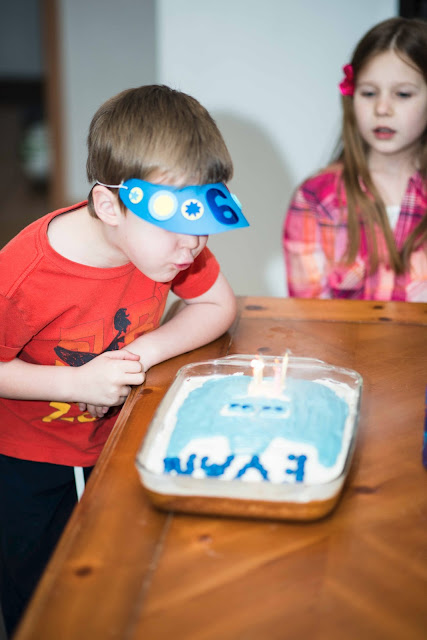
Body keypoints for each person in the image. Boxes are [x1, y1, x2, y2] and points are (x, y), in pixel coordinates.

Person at [0, 84, 249, 635]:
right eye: (177, 227)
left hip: (119, 437)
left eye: (203, 222)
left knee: (119, 580)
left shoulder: (169, 247)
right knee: (43, 599)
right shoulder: (23, 274)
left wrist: (137, 354)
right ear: (111, 206)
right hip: (31, 462)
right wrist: (76, 384)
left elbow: (217, 304)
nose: (194, 246)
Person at [283, 17, 427, 301]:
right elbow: (310, 314)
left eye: (402, 94)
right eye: (369, 93)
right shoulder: (315, 198)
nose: (382, 108)